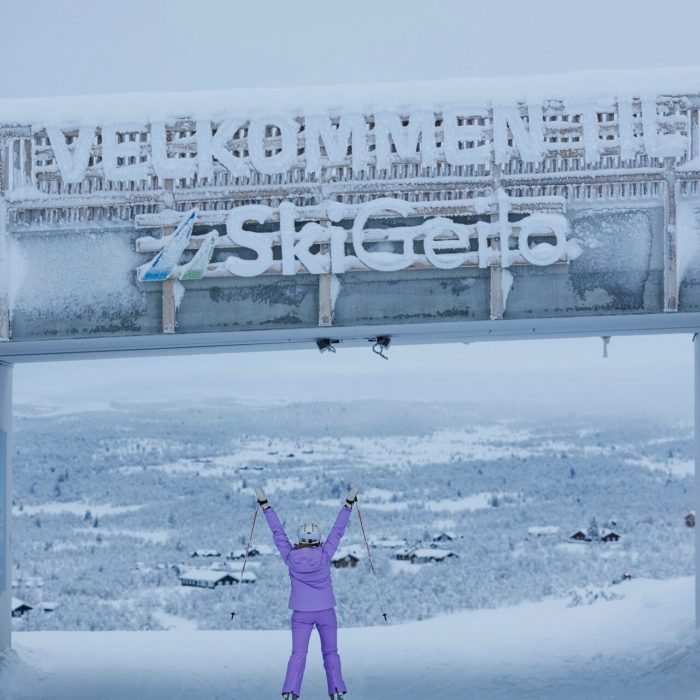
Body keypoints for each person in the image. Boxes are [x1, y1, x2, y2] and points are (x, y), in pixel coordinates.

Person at [255, 485, 357, 700]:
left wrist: (266, 506)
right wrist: (348, 505)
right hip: (326, 611)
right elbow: (337, 531)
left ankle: (290, 693)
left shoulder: (290, 556)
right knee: (330, 652)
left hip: (300, 613)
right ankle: (337, 691)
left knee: (298, 654)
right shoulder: (325, 554)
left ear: (300, 539)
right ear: (318, 539)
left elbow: (278, 533)